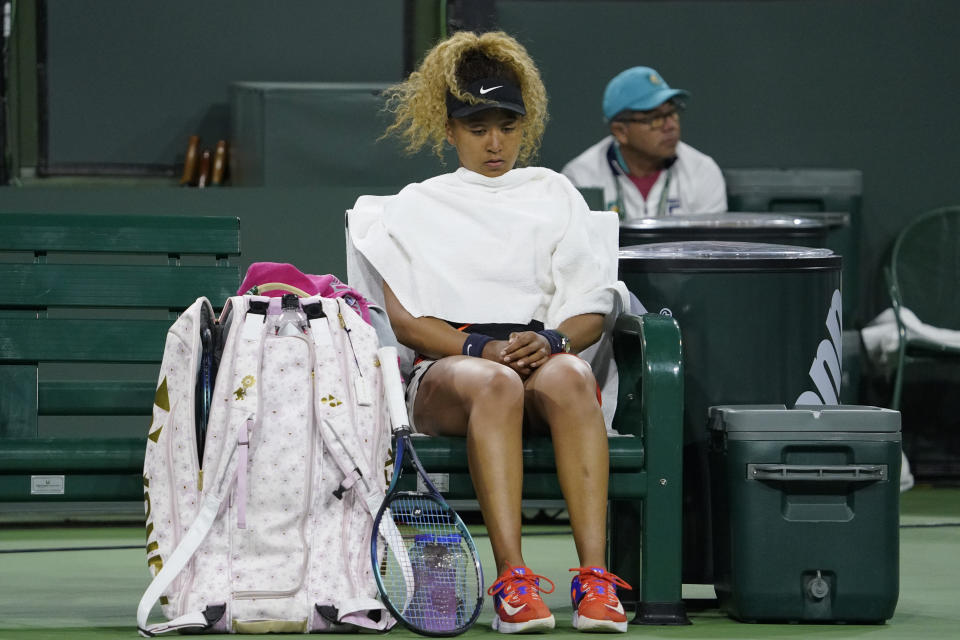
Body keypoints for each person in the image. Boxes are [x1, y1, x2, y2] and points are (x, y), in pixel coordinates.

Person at [348, 31, 631, 634]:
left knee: (574, 375)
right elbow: (405, 323)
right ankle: (513, 582)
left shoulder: (554, 194)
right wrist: (483, 348)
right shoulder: (414, 205)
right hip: (452, 373)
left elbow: (592, 308)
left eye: (506, 125)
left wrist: (552, 342)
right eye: (477, 128)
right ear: (450, 133)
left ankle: (595, 581)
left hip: (538, 356)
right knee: (494, 384)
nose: (494, 142)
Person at [562, 66, 727, 219]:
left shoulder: (702, 170)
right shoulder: (581, 178)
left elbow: (708, 247)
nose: (670, 125)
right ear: (621, 131)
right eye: (655, 119)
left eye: (672, 113)